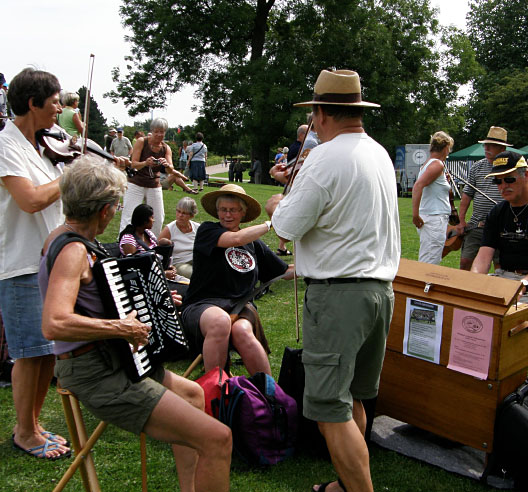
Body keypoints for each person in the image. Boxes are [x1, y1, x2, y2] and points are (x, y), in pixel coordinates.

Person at [40, 156, 231, 491]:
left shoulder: (69, 237)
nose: (116, 211)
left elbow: (97, 298)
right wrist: (121, 328)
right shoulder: (72, 250)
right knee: (219, 438)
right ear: (104, 210)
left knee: (192, 394)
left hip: (112, 359)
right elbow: (54, 322)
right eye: (115, 205)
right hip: (95, 370)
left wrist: (153, 305)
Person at [267, 69, 400, 492]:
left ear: (321, 113)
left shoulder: (325, 157)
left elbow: (286, 226)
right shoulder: (377, 152)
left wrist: (276, 203)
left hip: (340, 297)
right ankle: (345, 485)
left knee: (328, 408)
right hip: (380, 292)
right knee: (354, 398)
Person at [0, 68, 72, 460]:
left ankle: (33, 422)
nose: (59, 109)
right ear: (33, 102)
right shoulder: (5, 144)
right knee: (29, 353)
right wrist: (70, 175)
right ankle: (24, 432)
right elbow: (29, 200)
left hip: (46, 262)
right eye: (56, 100)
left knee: (45, 350)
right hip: (21, 263)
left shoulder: (41, 146)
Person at [471, 151, 528, 385]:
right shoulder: (497, 212)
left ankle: (523, 377)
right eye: (498, 180)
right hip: (504, 277)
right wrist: (472, 285)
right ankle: (479, 374)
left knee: (513, 323)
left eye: (509, 179)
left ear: (526, 174)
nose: (503, 186)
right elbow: (483, 257)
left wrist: (524, 285)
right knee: (471, 312)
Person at [181, 184, 293, 375]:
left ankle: (269, 395)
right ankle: (217, 393)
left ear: (243, 212)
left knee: (242, 331)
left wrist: (314, 261)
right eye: (223, 210)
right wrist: (272, 223)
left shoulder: (254, 244)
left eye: (233, 210)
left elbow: (285, 273)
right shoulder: (207, 231)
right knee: (220, 321)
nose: (227, 215)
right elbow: (235, 240)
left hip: (239, 308)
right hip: (203, 305)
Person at [456, 126, 507, 270]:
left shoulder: (508, 167)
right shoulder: (477, 167)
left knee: (500, 265)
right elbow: (467, 195)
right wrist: (461, 221)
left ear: (502, 148)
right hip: (477, 225)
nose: (486, 148)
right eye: (485, 144)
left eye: (491, 145)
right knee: (465, 262)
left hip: (502, 226)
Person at [119, 118, 178, 237]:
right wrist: (145, 163)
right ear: (151, 131)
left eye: (162, 132)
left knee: (158, 217)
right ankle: (123, 242)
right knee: (129, 215)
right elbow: (133, 164)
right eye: (156, 131)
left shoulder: (166, 148)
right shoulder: (142, 142)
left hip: (153, 185)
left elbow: (170, 170)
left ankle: (151, 244)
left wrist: (166, 165)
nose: (159, 135)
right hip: (136, 183)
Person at [412, 131, 454, 264]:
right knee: (430, 261)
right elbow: (418, 186)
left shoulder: (428, 164)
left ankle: (424, 283)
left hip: (430, 217)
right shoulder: (437, 164)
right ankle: (423, 284)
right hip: (434, 219)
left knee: (430, 256)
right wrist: (415, 214)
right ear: (446, 147)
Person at [119, 203, 177, 280]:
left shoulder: (148, 234)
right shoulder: (128, 240)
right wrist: (163, 273)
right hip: (143, 281)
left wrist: (168, 267)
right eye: (152, 217)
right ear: (144, 221)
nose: (153, 220)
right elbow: (133, 270)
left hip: (157, 275)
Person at [159, 197, 200, 279]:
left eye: (184, 213)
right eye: (178, 211)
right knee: (195, 274)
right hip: (179, 263)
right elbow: (159, 251)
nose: (180, 215)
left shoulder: (197, 227)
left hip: (196, 259)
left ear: (192, 215)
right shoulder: (169, 229)